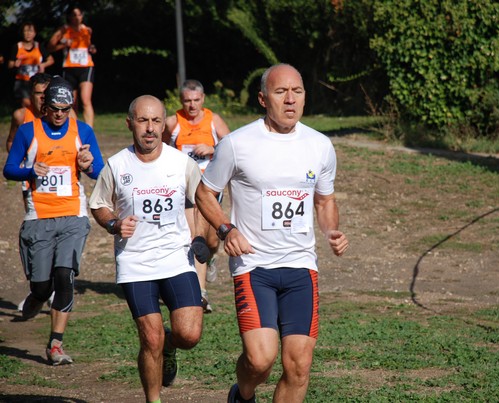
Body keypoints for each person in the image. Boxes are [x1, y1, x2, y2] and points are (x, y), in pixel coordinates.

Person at [196, 63, 349, 403]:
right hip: (254, 266)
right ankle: (243, 394)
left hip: (300, 265)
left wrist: (331, 230)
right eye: (281, 92)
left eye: (297, 92)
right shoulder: (237, 144)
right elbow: (204, 193)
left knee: (299, 366)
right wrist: (226, 229)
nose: (290, 100)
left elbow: (325, 201)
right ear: (264, 99)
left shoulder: (320, 145)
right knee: (260, 360)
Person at [89, 95, 205, 403]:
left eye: (156, 121)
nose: (150, 129)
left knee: (189, 335)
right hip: (135, 261)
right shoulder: (116, 165)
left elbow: (203, 201)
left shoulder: (182, 163)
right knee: (150, 337)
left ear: (163, 125)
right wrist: (114, 224)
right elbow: (99, 204)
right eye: (143, 121)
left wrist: (203, 236)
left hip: (176, 258)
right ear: (130, 124)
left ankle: (170, 347)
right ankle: (153, 399)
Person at [3, 76, 104, 366]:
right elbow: (9, 170)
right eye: (55, 108)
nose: (60, 114)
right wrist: (30, 170)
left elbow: (98, 170)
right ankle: (36, 296)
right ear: (45, 106)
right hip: (39, 216)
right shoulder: (27, 131)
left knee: (65, 275)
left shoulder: (82, 131)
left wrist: (89, 165)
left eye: (66, 108)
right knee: (43, 285)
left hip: (74, 213)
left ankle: (55, 343)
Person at [162, 79, 231, 313]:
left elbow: (232, 147)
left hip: (211, 188)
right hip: (185, 188)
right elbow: (159, 150)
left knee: (212, 241)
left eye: (196, 100)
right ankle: (200, 294)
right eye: (187, 101)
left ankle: (210, 259)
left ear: (203, 99)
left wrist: (212, 149)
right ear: (181, 101)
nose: (192, 105)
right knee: (195, 238)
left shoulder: (214, 120)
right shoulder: (173, 123)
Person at [47, 5, 96, 127]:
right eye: (74, 15)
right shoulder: (64, 30)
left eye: (79, 14)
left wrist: (92, 48)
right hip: (69, 67)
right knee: (71, 101)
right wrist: (64, 45)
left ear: (82, 16)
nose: (77, 17)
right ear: (69, 17)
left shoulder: (87, 30)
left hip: (86, 67)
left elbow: (88, 46)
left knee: (85, 99)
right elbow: (50, 47)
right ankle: (74, 127)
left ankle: (89, 130)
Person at [6, 73, 77, 152]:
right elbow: (11, 142)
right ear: (31, 95)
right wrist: (23, 163)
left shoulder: (67, 114)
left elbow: (77, 140)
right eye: (38, 93)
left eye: (46, 92)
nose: (43, 97)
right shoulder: (20, 116)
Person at [7, 22, 54, 108]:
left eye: (31, 31)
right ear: (22, 33)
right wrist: (15, 63)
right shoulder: (17, 47)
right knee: (26, 103)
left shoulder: (39, 46)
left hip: (37, 81)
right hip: (22, 81)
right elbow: (9, 64)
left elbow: (51, 60)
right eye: (25, 31)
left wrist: (43, 65)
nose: (28, 34)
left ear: (35, 33)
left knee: (37, 103)